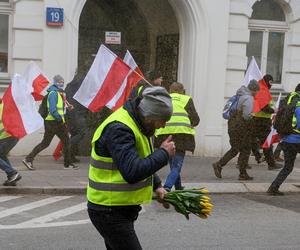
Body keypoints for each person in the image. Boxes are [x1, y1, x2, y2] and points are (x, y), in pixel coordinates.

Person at [87, 86, 175, 250]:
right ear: (150, 116)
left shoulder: (140, 124)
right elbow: (133, 171)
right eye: (162, 120)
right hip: (109, 210)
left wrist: (157, 186)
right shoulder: (120, 128)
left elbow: (141, 158)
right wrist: (163, 153)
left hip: (117, 209)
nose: (163, 126)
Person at [22, 75, 78, 170]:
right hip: (55, 122)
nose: (61, 83)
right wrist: (60, 119)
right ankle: (67, 165)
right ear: (55, 82)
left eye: (62, 81)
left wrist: (68, 107)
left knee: (46, 143)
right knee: (66, 141)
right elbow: (53, 110)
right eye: (59, 81)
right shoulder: (53, 94)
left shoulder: (59, 93)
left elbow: (59, 107)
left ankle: (28, 159)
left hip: (52, 122)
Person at [155, 82, 200, 191]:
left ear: (169, 90)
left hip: (164, 134)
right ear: (182, 91)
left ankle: (178, 186)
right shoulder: (186, 99)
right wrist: (190, 124)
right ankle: (167, 187)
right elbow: (195, 120)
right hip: (181, 135)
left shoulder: (164, 99)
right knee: (177, 165)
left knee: (173, 163)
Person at [213, 80, 260, 180]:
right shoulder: (248, 98)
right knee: (246, 149)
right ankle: (241, 173)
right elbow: (247, 116)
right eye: (257, 91)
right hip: (241, 128)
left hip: (233, 126)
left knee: (236, 149)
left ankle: (220, 165)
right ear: (254, 90)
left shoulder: (239, 95)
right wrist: (253, 117)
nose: (257, 93)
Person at [267, 84, 300, 195]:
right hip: (296, 140)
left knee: (287, 167)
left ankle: (273, 187)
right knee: (288, 167)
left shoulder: (286, 102)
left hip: (286, 139)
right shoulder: (298, 104)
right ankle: (273, 188)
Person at [251, 74, 282, 170]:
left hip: (258, 120)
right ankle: (271, 164)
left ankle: (258, 157)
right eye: (270, 82)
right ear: (267, 81)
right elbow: (264, 107)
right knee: (267, 142)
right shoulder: (263, 90)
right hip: (262, 121)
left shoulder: (262, 90)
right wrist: (274, 111)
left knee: (253, 140)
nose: (271, 84)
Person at [64, 73, 88, 162]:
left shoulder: (69, 86)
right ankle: (67, 149)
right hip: (76, 114)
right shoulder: (80, 87)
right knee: (82, 132)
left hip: (69, 114)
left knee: (74, 134)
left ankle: (71, 156)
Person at [0, 99, 22, 186]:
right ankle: (12, 177)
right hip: (13, 136)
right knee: (2, 155)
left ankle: (13, 173)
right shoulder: (5, 106)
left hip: (7, 137)